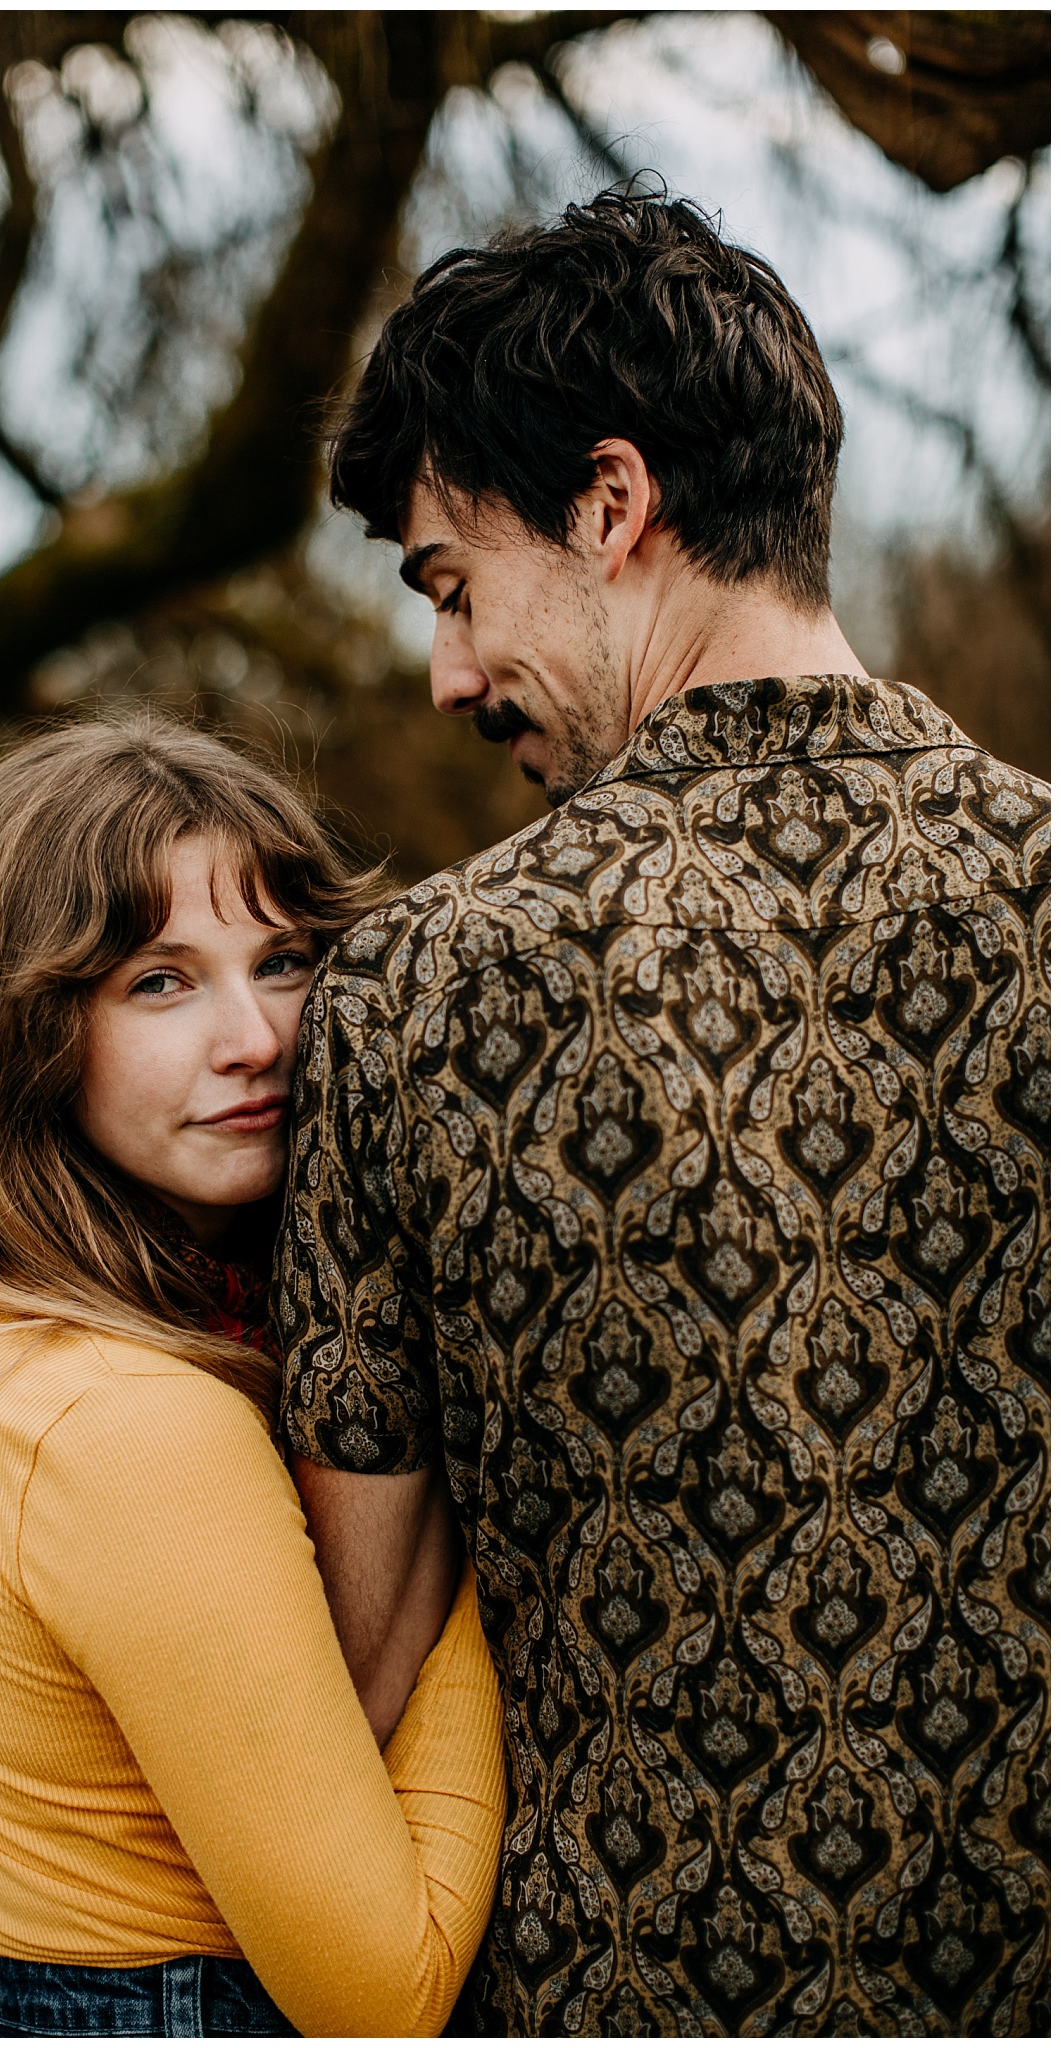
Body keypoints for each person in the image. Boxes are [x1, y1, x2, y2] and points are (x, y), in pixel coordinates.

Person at [277, 190, 1050, 2037]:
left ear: (612, 508)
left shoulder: (420, 994)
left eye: (454, 586)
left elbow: (352, 1673)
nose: (450, 677)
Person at [0, 716, 505, 2038]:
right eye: (159, 982)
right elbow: (380, 1995)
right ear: (21, 1040)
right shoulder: (117, 1417)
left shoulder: (12, 1320)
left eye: (282, 961)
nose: (256, 1038)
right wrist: (469, 1503)